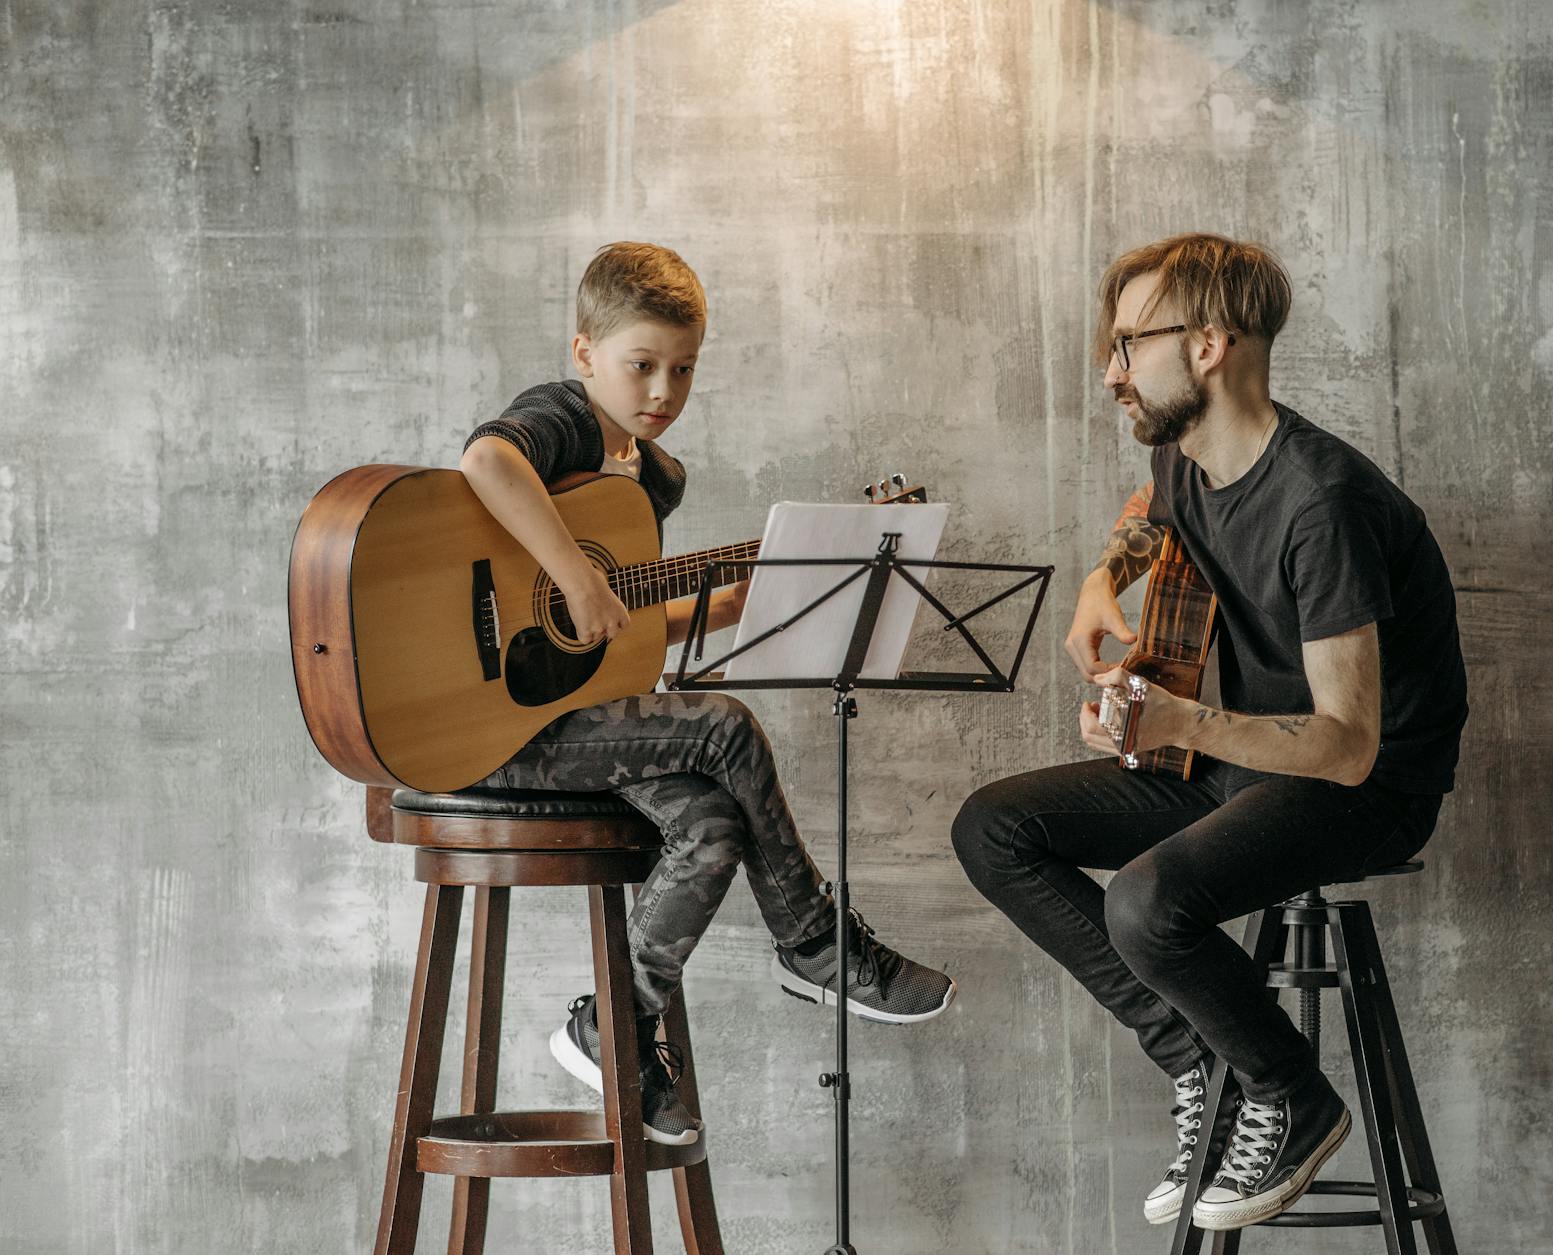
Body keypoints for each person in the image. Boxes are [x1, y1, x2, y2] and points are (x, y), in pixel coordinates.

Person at [951, 233, 1468, 1231]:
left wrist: (1179, 718)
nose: (1108, 372)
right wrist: (1107, 577)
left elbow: (1348, 744)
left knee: (1146, 902)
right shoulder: (1183, 453)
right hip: (1245, 768)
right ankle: (1203, 1057)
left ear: (1205, 345)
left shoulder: (1321, 503)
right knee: (993, 827)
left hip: (1361, 791)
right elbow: (1153, 505)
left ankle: (1290, 1091)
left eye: (1125, 345)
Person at [461, 241, 955, 1148]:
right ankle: (814, 942)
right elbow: (487, 464)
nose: (661, 391)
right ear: (584, 355)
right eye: (639, 364)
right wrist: (572, 576)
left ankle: (614, 1022)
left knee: (714, 827)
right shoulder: (561, 419)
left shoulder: (657, 479)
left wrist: (754, 597)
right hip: (497, 728)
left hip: (584, 724)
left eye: (681, 369)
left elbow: (631, 624)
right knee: (725, 725)